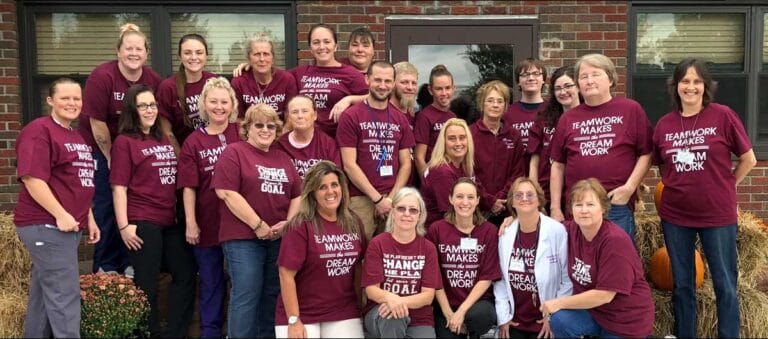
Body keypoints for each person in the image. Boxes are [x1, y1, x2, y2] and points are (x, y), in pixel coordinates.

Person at [652, 58, 756, 338]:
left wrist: (727, 184)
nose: (691, 87)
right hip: (676, 216)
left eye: (697, 81)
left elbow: (748, 159)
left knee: (724, 282)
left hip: (717, 215)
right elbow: (663, 165)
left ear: (706, 86)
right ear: (675, 86)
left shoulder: (722, 116)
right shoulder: (664, 124)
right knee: (682, 283)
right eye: (685, 81)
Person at [14, 78, 100, 338]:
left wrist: (89, 217)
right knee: (65, 297)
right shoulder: (39, 130)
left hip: (64, 226)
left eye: (76, 98)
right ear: (50, 100)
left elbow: (78, 181)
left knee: (43, 301)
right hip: (46, 225)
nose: (72, 103)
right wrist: (61, 214)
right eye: (65, 98)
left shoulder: (75, 135)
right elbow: (32, 178)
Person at [111, 84, 195, 337]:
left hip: (169, 220)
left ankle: (175, 333)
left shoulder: (162, 137)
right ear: (132, 110)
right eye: (143, 105)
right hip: (142, 220)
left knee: (186, 275)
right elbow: (118, 187)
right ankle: (149, 333)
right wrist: (124, 226)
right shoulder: (125, 142)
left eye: (152, 105)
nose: (149, 110)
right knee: (147, 283)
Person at [213, 103, 301, 338]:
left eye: (271, 126)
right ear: (247, 128)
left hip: (277, 238)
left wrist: (289, 224)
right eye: (259, 125)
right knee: (247, 292)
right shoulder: (234, 152)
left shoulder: (283, 158)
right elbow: (226, 192)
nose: (265, 130)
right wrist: (258, 225)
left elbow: (298, 195)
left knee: (272, 293)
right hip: (243, 239)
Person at [79, 23, 161, 275]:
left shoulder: (152, 79)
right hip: (102, 151)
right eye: (128, 48)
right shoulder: (103, 76)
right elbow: (97, 124)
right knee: (106, 207)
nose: (133, 53)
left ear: (146, 53)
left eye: (139, 49)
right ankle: (105, 268)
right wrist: (114, 159)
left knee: (132, 206)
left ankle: (129, 264)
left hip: (137, 153)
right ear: (118, 51)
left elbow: (154, 116)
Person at [549, 53, 653, 240]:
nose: (589, 81)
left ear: (611, 79)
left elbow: (647, 153)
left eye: (595, 74)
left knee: (617, 263)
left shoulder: (630, 109)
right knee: (580, 265)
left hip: (615, 205)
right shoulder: (568, 118)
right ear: (578, 85)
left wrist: (629, 188)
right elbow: (557, 165)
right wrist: (555, 208)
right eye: (583, 76)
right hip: (578, 207)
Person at [541, 178, 654, 338]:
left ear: (603, 208)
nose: (584, 210)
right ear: (571, 209)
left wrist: (558, 302)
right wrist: (513, 219)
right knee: (560, 321)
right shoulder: (570, 229)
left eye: (590, 204)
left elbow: (604, 295)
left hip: (624, 320)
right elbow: (540, 226)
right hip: (594, 312)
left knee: (559, 310)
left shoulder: (615, 241)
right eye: (578, 205)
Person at [177, 77, 240, 338]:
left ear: (233, 105)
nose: (219, 107)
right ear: (204, 104)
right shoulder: (194, 141)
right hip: (208, 224)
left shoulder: (242, 133)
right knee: (212, 283)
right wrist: (191, 222)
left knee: (241, 284)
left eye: (224, 102)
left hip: (239, 226)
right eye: (213, 101)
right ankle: (211, 333)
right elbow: (189, 186)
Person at [275, 161, 367, 338]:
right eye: (322, 187)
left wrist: (360, 305)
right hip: (302, 313)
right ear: (312, 193)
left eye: (334, 185)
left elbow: (359, 266)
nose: (330, 192)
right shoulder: (300, 225)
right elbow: (286, 274)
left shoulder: (353, 222)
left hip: (343, 311)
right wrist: (294, 320)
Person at [337, 60, 415, 239]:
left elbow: (406, 165)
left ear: (394, 83)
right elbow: (349, 164)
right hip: (361, 198)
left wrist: (389, 200)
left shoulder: (400, 119)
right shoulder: (351, 116)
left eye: (388, 81)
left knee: (389, 255)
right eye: (377, 80)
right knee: (356, 253)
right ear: (367, 80)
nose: (382, 86)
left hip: (393, 199)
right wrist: (377, 199)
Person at [494, 177, 571, 339]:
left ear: (539, 200)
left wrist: (553, 317)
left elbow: (567, 279)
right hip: (515, 321)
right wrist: (503, 317)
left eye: (530, 195)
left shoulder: (556, 231)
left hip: (545, 321)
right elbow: (500, 279)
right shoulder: (505, 233)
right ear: (512, 203)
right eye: (518, 195)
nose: (524, 199)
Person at [362, 188, 442, 338]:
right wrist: (390, 300)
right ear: (392, 212)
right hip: (381, 312)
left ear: (420, 216)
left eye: (413, 210)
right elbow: (371, 290)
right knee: (394, 317)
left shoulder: (428, 248)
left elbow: (428, 296)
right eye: (401, 209)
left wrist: (397, 302)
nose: (406, 214)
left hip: (418, 318)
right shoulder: (378, 243)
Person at [427, 178, 500, 339]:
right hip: (446, 305)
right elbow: (434, 276)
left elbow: (487, 277)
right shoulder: (436, 229)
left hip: (477, 305)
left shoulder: (489, 231)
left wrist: (461, 312)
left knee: (481, 317)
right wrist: (449, 314)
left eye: (470, 197)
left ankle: (470, 331)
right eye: (459, 196)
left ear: (478, 200)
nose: (465, 202)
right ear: (450, 199)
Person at [290, 24, 368, 137]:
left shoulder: (351, 74)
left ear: (335, 46)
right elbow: (275, 77)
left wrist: (349, 99)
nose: (322, 47)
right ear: (310, 48)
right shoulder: (299, 73)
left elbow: (372, 98)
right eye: (316, 42)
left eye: (327, 42)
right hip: (306, 139)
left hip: (337, 139)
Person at [470, 80, 526, 223]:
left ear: (506, 106)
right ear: (482, 104)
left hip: (506, 208)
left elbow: (517, 172)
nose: (495, 105)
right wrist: (488, 200)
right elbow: (467, 171)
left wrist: (502, 199)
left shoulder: (514, 136)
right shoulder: (470, 134)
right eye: (490, 100)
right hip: (476, 208)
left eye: (500, 101)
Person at [528, 66, 581, 214]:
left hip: (577, 190)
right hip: (546, 191)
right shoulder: (544, 119)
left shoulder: (588, 119)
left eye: (568, 86)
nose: (563, 92)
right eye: (558, 88)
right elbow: (534, 156)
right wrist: (535, 189)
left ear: (578, 87)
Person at [156, 33, 218, 151]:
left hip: (214, 152)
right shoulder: (167, 87)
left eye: (199, 52)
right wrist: (181, 159)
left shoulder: (214, 82)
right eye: (187, 53)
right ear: (180, 56)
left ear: (206, 56)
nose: (194, 57)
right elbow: (166, 132)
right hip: (185, 153)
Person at [421, 118, 475, 226]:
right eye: (452, 139)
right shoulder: (442, 172)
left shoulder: (463, 166)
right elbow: (451, 214)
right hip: (438, 232)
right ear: (443, 143)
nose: (458, 143)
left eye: (462, 138)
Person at [232, 34, 297, 120]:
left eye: (266, 54)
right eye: (257, 54)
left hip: (280, 131)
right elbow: (239, 119)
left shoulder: (287, 80)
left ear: (273, 58)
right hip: (250, 132)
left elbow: (291, 117)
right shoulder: (239, 82)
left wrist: (281, 133)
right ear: (249, 58)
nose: (262, 59)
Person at [276, 95, 341, 180]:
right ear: (289, 117)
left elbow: (337, 177)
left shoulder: (328, 144)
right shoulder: (279, 145)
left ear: (314, 115)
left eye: (305, 111)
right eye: (295, 112)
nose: (300, 116)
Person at [414, 65, 457, 178]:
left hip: (452, 177)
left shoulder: (453, 117)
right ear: (430, 90)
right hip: (434, 178)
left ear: (453, 88)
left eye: (447, 88)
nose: (444, 93)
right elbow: (419, 157)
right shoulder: (424, 117)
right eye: (439, 89)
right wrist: (427, 182)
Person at [504, 58, 548, 153]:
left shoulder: (552, 110)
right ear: (518, 81)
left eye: (536, 74)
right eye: (525, 74)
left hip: (544, 167)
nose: (531, 78)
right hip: (516, 167)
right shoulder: (507, 113)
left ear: (543, 79)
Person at [391, 61, 420, 126]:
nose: (410, 87)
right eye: (404, 82)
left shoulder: (413, 116)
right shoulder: (385, 114)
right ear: (392, 83)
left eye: (414, 83)